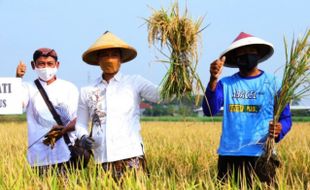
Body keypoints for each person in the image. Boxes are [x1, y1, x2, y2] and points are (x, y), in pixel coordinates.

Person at [202, 32, 292, 185]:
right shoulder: (226, 84)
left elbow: (286, 118)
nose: (246, 55)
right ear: (236, 59)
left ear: (258, 54)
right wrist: (213, 79)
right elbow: (209, 110)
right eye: (241, 53)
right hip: (230, 155)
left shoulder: (274, 83)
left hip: (262, 155)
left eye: (250, 51)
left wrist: (280, 129)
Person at [75, 31, 160, 179]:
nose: (109, 59)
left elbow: (161, 96)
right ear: (98, 60)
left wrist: (177, 76)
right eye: (104, 55)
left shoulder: (134, 82)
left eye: (114, 54)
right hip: (102, 158)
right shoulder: (87, 91)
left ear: (120, 59)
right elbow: (80, 123)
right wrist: (82, 137)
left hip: (131, 156)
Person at [16, 48, 79, 175]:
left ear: (57, 65)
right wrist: (18, 78)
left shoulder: (69, 88)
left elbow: (78, 118)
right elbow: (16, 105)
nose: (46, 67)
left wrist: (63, 131)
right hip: (39, 156)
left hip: (66, 154)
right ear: (33, 65)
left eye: (50, 64)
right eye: (41, 64)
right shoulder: (27, 88)